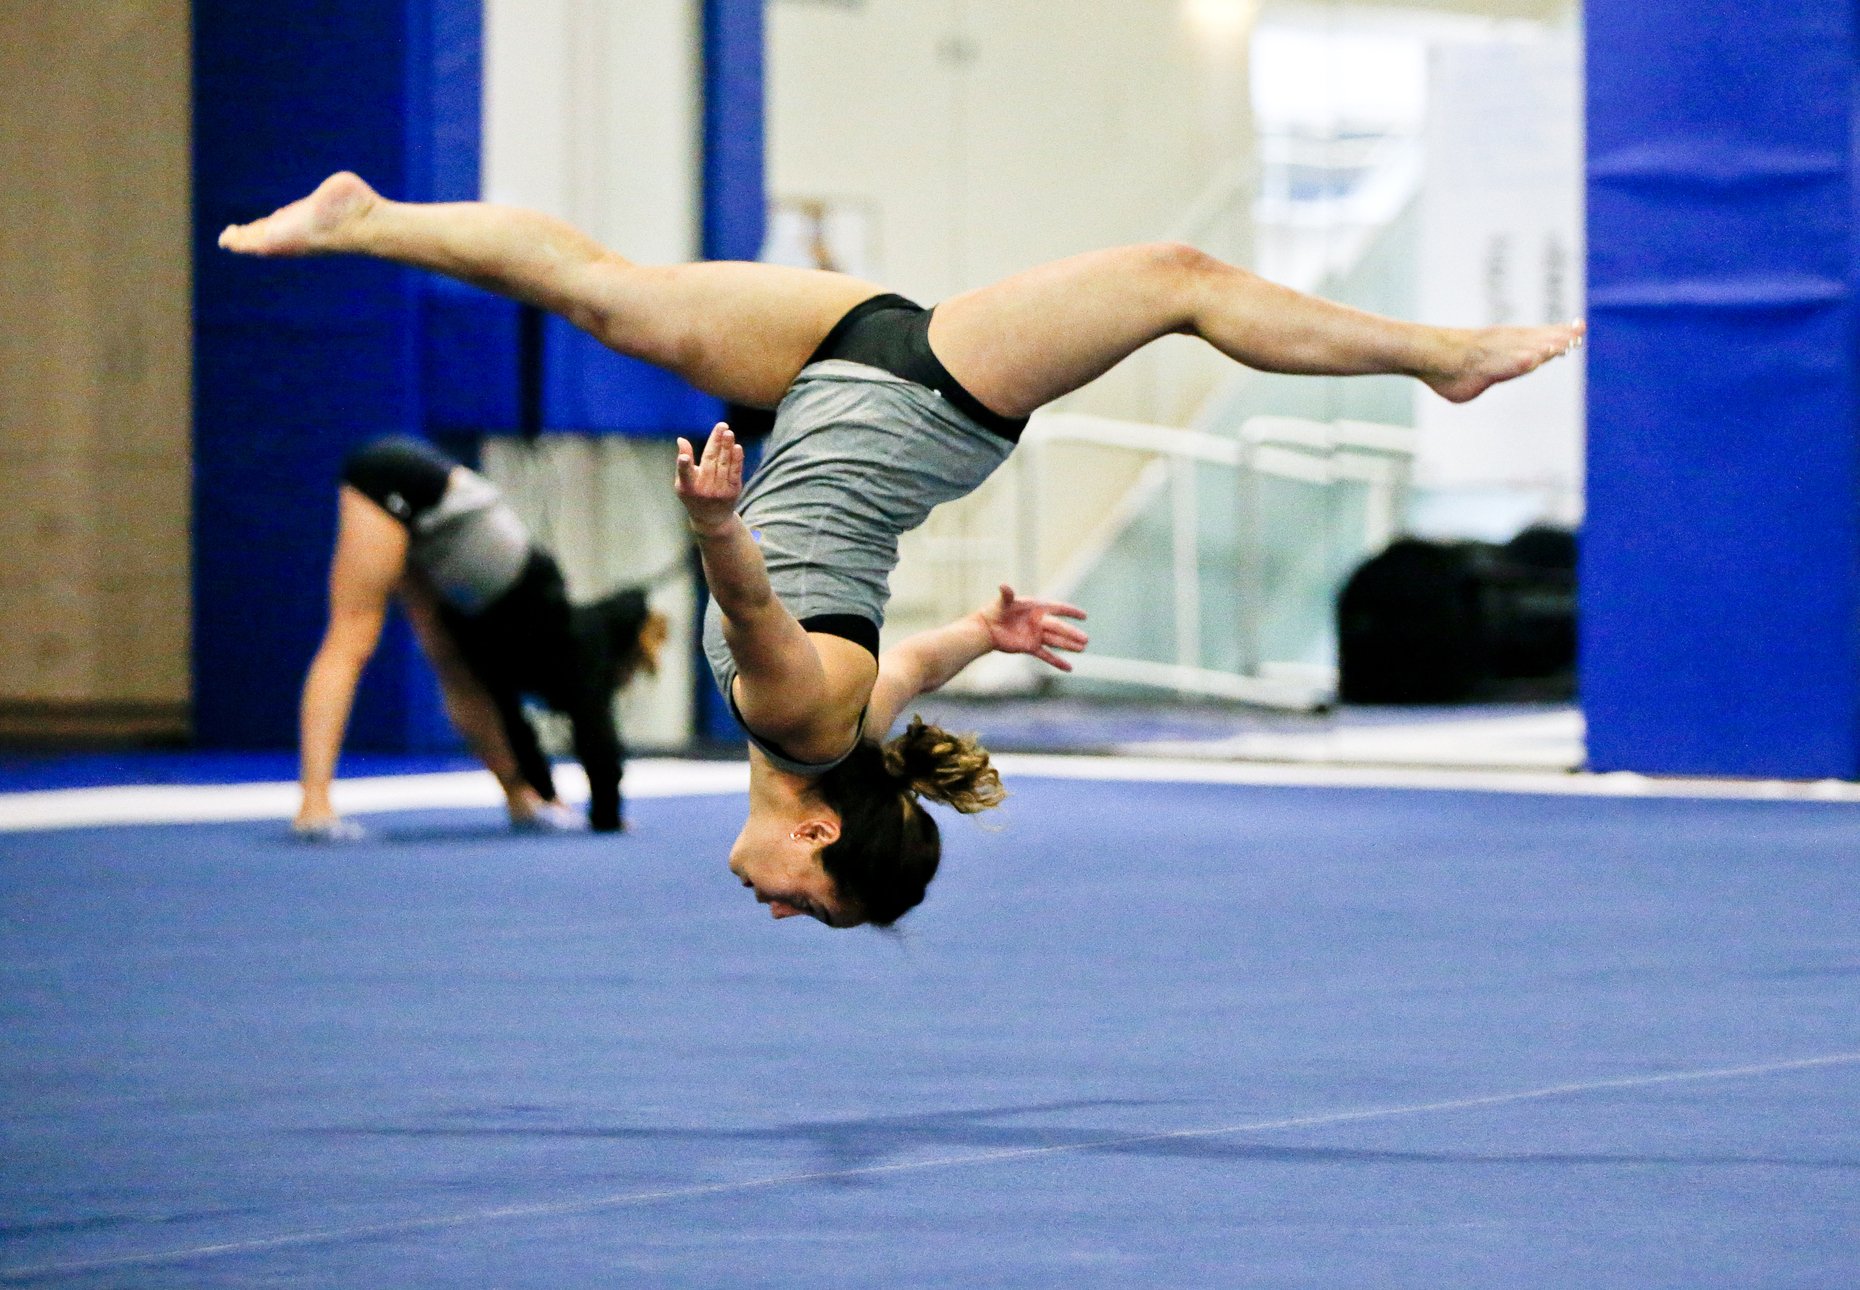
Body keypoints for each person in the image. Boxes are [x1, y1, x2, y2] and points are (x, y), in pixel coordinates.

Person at [220, 172, 1582, 921]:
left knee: (607, 296)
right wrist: (710, 529)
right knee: (1179, 279)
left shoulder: (849, 732)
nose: (774, 908)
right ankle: (1440, 359)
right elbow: (754, 613)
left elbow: (907, 656)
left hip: (827, 385)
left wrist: (981, 636)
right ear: (816, 832)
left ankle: (368, 220)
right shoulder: (797, 714)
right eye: (804, 901)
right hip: (916, 399)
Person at [296, 433, 667, 839]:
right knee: (352, 637)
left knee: (458, 671)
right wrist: (607, 818)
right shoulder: (571, 648)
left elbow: (506, 709)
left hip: (442, 542)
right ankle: (314, 806)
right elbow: (596, 737)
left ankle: (522, 799)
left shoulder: (538, 636)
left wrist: (546, 790)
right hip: (404, 482)